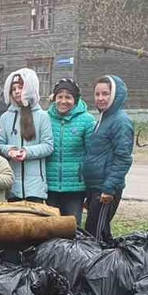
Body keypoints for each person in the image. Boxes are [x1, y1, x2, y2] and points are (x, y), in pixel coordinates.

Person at [82, 75, 134, 240]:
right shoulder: (104, 118)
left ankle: (96, 264)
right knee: (101, 231)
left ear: (115, 95)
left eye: (105, 94)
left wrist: (109, 188)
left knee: (93, 234)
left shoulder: (121, 121)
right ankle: (109, 262)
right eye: (97, 94)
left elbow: (123, 158)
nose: (100, 98)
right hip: (95, 186)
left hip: (105, 188)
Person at [0, 68, 54, 203]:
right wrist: (10, 150)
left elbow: (48, 146)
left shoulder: (42, 116)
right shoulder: (5, 117)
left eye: (20, 88)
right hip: (12, 185)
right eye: (13, 88)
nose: (16, 91)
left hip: (35, 187)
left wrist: (26, 152)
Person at [45, 77, 97, 227]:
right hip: (51, 185)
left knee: (73, 227)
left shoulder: (87, 121)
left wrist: (88, 185)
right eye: (59, 97)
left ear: (75, 99)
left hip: (75, 186)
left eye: (68, 97)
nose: (63, 101)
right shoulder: (45, 118)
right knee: (51, 227)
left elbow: (91, 154)